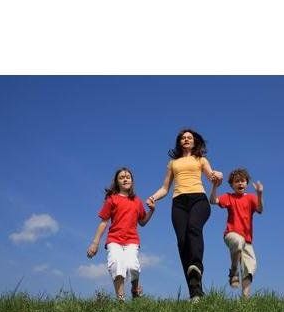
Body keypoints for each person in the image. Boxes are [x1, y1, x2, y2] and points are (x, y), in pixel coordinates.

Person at [148, 129, 223, 302]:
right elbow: (165, 188)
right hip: (178, 203)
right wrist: (153, 197)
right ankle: (195, 292)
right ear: (179, 142)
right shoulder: (173, 163)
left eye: (189, 137)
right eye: (183, 138)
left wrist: (217, 177)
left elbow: (212, 176)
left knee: (193, 228)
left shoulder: (201, 159)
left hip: (199, 200)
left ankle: (196, 265)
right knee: (182, 242)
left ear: (195, 141)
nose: (186, 139)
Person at [87, 167, 155, 301]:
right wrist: (95, 243)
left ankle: (135, 289)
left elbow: (142, 222)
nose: (125, 179)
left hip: (132, 241)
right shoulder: (112, 199)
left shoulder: (137, 201)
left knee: (132, 266)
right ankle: (121, 299)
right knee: (117, 265)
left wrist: (151, 211)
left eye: (128, 177)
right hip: (114, 240)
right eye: (121, 177)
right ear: (117, 182)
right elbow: (103, 222)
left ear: (132, 181)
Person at [209, 168, 264, 298]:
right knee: (238, 242)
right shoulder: (229, 197)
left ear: (246, 183)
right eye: (237, 181)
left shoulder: (251, 198)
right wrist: (214, 186)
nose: (240, 183)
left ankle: (245, 301)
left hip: (248, 240)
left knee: (250, 269)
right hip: (231, 234)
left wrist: (259, 194)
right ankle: (234, 271)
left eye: (242, 181)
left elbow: (260, 210)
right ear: (232, 185)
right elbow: (213, 201)